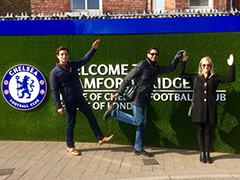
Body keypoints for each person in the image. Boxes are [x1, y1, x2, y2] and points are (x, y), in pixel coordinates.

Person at [103, 47, 184, 157]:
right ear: (148, 54)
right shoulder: (142, 64)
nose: (154, 56)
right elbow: (128, 77)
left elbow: (169, 69)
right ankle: (114, 112)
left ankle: (138, 148)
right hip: (138, 97)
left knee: (142, 124)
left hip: (146, 99)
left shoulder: (155, 67)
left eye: (156, 54)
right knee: (138, 121)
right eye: (152, 54)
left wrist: (175, 59)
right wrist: (119, 91)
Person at [50, 39, 113, 156]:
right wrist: (58, 106)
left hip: (79, 97)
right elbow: (54, 90)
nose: (64, 56)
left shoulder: (72, 65)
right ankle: (70, 146)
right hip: (69, 101)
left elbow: (85, 60)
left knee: (91, 116)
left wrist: (93, 49)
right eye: (62, 55)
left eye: (66, 54)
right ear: (58, 56)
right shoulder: (54, 73)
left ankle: (100, 138)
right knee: (71, 123)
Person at [179, 51, 235, 163]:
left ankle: (207, 153)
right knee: (200, 130)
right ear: (201, 66)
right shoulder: (195, 77)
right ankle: (202, 152)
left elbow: (231, 78)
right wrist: (183, 62)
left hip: (210, 108)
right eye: (204, 65)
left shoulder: (215, 77)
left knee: (208, 131)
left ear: (211, 66)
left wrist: (231, 65)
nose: (206, 67)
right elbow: (181, 74)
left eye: (208, 65)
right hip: (199, 108)